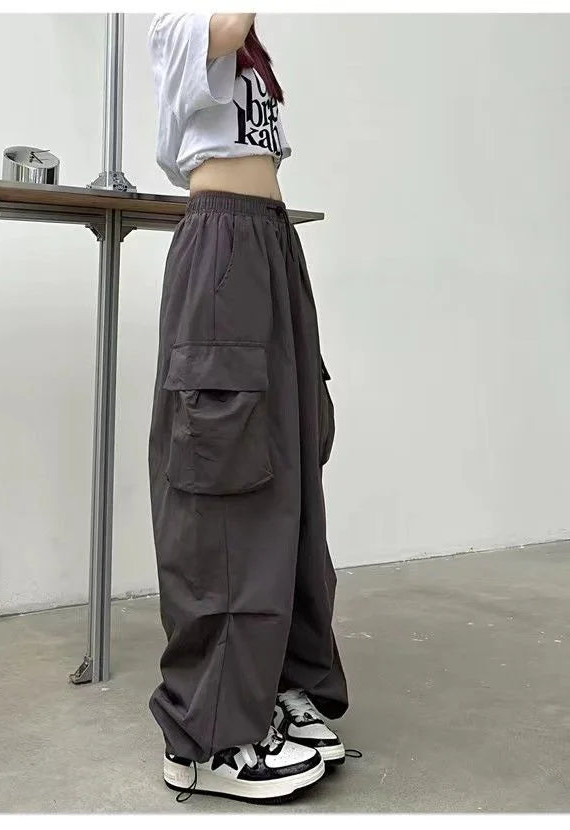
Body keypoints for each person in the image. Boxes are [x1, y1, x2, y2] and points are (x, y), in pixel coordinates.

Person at [145, 13, 349, 804]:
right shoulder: (182, 20)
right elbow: (227, 25)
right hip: (223, 244)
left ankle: (276, 691)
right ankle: (208, 737)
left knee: (288, 471)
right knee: (224, 487)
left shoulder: (249, 55)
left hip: (271, 243)